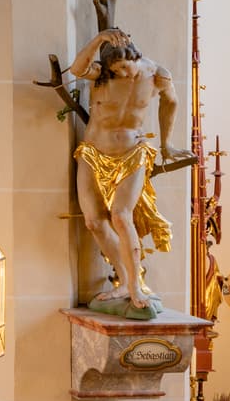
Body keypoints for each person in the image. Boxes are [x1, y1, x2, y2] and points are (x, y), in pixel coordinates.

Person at [65, 23, 183, 316]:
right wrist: (98, 39)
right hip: (93, 152)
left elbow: (171, 103)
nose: (124, 75)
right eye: (117, 71)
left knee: (120, 215)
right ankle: (123, 280)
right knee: (94, 222)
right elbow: (77, 69)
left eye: (126, 69)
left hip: (132, 152)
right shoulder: (102, 75)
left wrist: (167, 144)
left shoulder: (157, 75)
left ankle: (135, 287)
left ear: (136, 58)